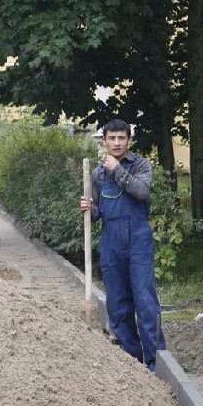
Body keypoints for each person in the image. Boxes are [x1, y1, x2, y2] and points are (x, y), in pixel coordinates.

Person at [79, 118, 166, 372]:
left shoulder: (140, 165)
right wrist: (88, 208)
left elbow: (141, 192)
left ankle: (157, 363)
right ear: (104, 140)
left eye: (121, 138)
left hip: (138, 241)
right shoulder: (97, 174)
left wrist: (117, 169)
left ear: (129, 140)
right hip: (111, 244)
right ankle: (134, 364)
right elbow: (96, 216)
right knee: (118, 307)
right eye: (112, 138)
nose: (116, 143)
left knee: (146, 303)